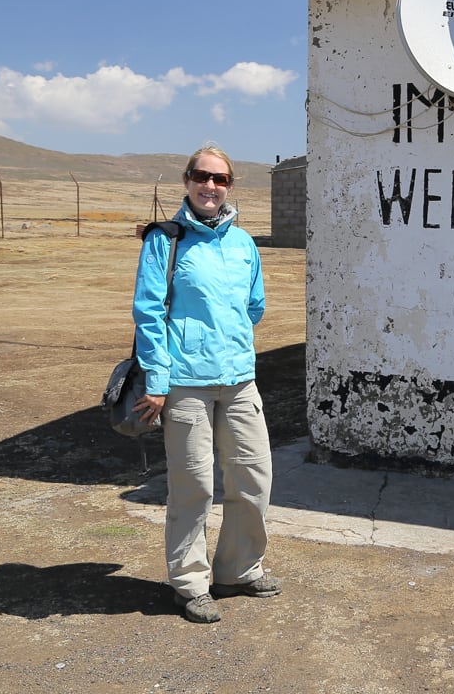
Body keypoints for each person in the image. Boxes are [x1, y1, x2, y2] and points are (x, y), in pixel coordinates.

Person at [131, 145, 280, 623]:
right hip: (185, 384)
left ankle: (238, 570)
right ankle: (190, 584)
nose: (210, 186)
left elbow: (254, 306)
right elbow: (149, 314)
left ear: (230, 185)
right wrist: (157, 380)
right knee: (193, 486)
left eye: (220, 178)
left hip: (239, 381)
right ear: (187, 180)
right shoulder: (164, 240)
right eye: (202, 176)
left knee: (254, 480)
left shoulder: (243, 244)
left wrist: (227, 337)